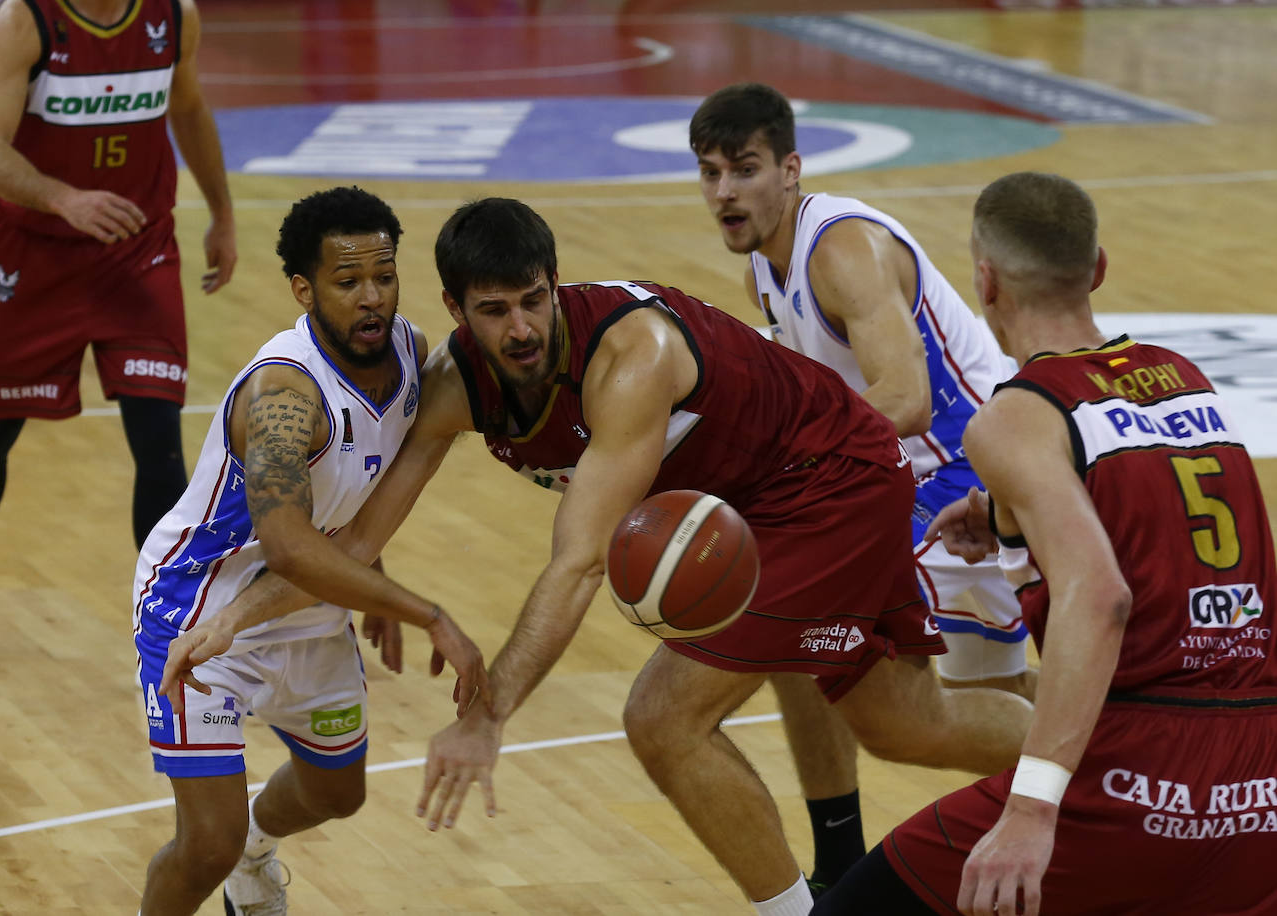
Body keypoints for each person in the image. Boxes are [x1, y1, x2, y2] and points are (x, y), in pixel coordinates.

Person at [168, 197, 1033, 915]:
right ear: (458, 310)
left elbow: (579, 562)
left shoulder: (632, 355)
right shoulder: (455, 383)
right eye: (495, 310)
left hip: (829, 484)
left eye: (534, 300)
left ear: (556, 284)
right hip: (757, 503)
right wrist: (230, 618)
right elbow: (357, 541)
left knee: (663, 720)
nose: (520, 328)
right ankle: (1086, 758)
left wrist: (486, 714)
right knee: (907, 724)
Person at [814, 172, 1277, 916]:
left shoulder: (1015, 418)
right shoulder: (1186, 380)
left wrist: (1032, 808)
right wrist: (1004, 510)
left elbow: (1101, 595)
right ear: (1098, 269)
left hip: (1138, 778)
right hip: (1260, 778)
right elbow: (1163, 520)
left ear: (986, 281)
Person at [689, 82, 1034, 890]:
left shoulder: (840, 249)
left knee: (859, 676)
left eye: (744, 169)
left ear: (791, 169)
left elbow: (906, 399)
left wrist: (782, 469)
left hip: (970, 468)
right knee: (988, 692)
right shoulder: (764, 270)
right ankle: (1123, 760)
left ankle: (1115, 769)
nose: (726, 192)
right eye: (710, 173)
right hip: (912, 472)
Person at [134, 187, 488, 916]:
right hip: (201, 607)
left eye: (384, 276)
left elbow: (356, 481)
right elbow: (292, 548)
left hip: (309, 602)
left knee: (337, 792)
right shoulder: (284, 396)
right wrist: (427, 614)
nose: (372, 298)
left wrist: (369, 572)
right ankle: (230, 856)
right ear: (304, 289)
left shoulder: (409, 352)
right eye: (347, 281)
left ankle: (256, 854)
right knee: (207, 844)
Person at [0, 0, 237, 664]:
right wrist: (64, 198)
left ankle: (165, 623)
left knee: (159, 440)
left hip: (136, 248)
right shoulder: (26, 20)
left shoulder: (172, 15)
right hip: (32, 252)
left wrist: (222, 212)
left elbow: (187, 109)